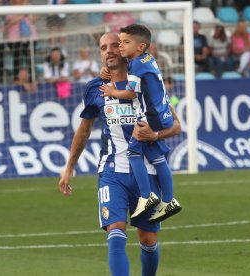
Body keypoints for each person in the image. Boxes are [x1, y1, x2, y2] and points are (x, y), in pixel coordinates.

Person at [59, 31, 181, 276]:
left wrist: (155, 136)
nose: (110, 50)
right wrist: (69, 166)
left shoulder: (144, 80)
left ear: (126, 49)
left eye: (115, 45)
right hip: (112, 171)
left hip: (146, 172)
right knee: (115, 233)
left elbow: (176, 125)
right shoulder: (95, 88)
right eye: (104, 47)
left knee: (147, 239)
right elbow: (84, 129)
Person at [100, 24, 181, 222]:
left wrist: (112, 91)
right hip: (162, 113)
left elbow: (130, 93)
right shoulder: (148, 59)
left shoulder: (136, 65)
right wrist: (107, 70)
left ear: (141, 46)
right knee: (156, 156)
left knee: (133, 152)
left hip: (150, 115)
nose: (120, 47)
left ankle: (147, 196)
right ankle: (169, 200)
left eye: (124, 43)